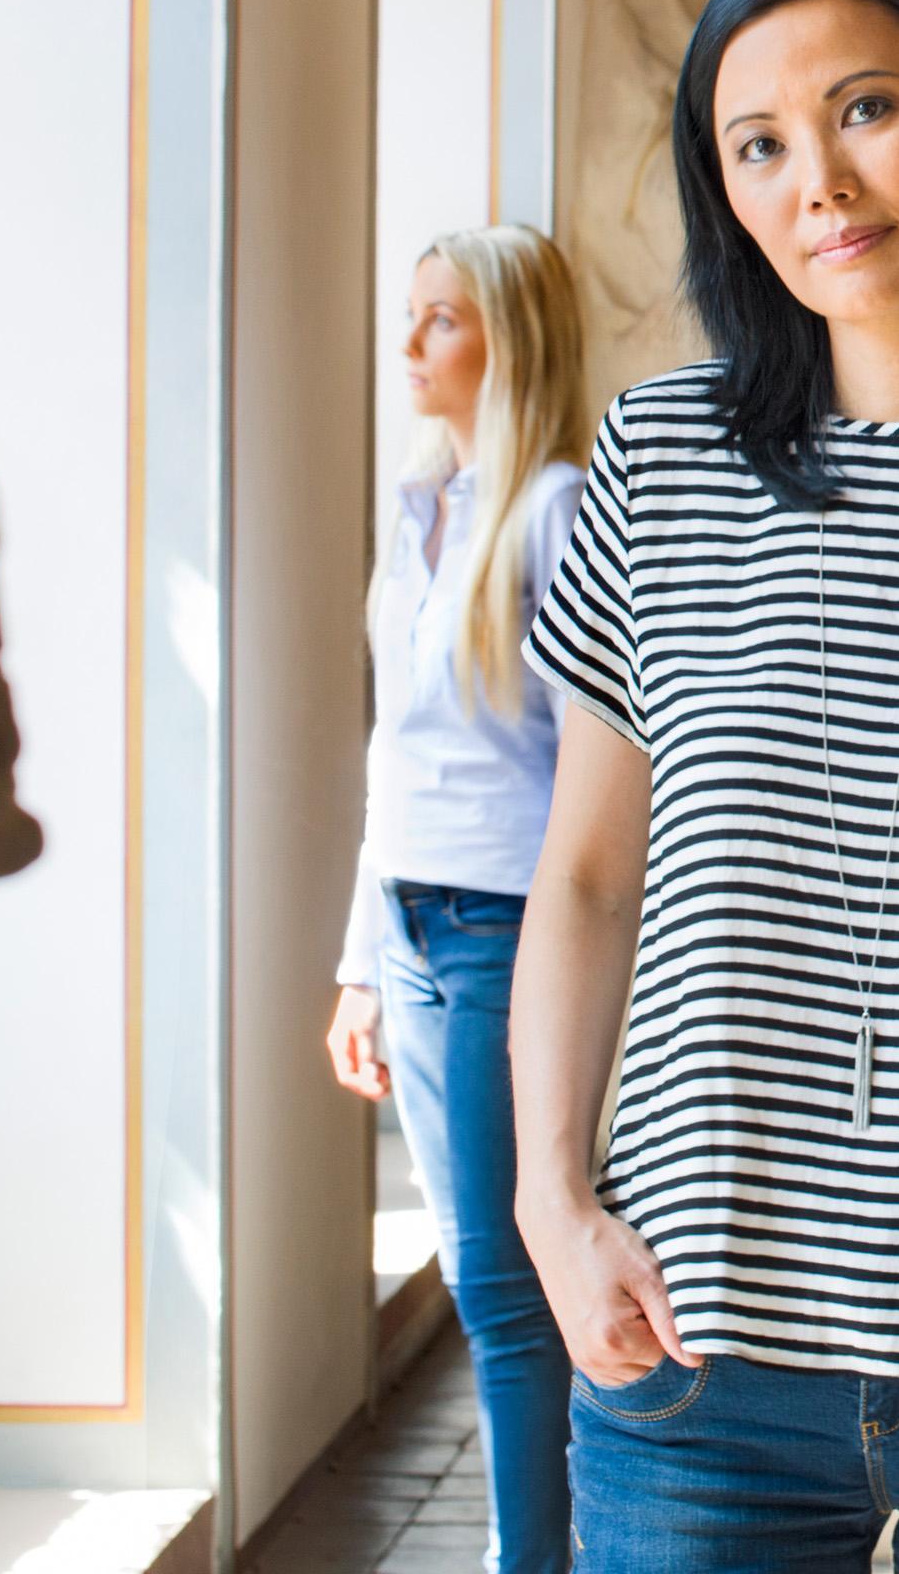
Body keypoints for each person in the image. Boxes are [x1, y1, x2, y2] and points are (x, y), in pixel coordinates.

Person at [512, 0, 899, 1572]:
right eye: (759, 146)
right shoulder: (663, 459)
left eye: (865, 109)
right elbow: (587, 875)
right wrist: (552, 1204)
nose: (822, 183)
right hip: (694, 1338)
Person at [326, 223, 591, 1574]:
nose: (410, 342)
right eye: (412, 314)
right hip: (413, 928)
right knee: (486, 1272)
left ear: (510, 336)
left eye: (440, 317)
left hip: (506, 929)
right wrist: (358, 965)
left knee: (505, 1281)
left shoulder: (556, 513)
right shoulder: (418, 509)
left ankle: (532, 1556)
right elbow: (395, 753)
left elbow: (597, 767)